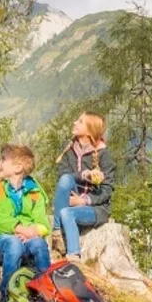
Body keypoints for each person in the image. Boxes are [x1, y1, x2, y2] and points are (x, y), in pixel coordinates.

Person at [0, 143, 51, 302]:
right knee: (13, 243)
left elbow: (43, 225)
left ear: (18, 167)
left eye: (3, 159)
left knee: (39, 244)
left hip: (25, 239)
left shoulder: (35, 193)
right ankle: (8, 296)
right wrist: (19, 229)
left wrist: (33, 232)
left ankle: (45, 291)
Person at [53, 111, 115, 260]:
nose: (74, 122)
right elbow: (63, 176)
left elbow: (107, 189)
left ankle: (73, 254)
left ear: (89, 131)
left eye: (80, 121)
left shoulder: (104, 155)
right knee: (65, 179)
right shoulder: (69, 150)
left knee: (67, 213)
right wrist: (83, 174)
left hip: (95, 208)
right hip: (71, 200)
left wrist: (84, 200)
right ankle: (57, 232)